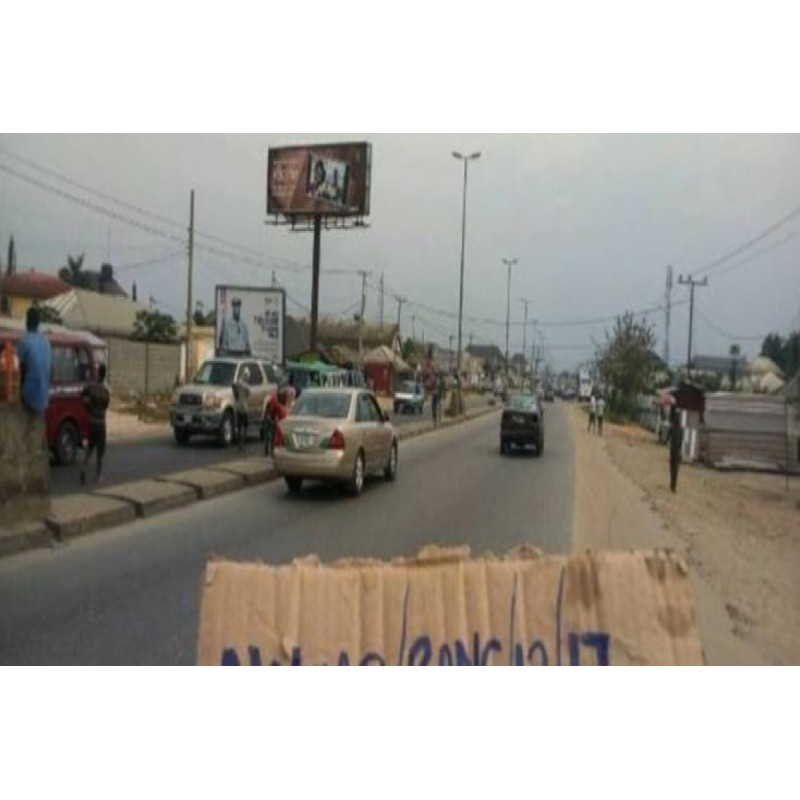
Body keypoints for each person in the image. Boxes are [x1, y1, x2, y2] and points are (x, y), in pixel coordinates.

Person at [16, 306, 52, 417]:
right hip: (44, 398)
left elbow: (17, 367)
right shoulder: (46, 341)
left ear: (27, 321)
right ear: (38, 323)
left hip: (28, 397)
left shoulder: (24, 340)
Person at [80, 362, 110, 485]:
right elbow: (105, 407)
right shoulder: (105, 392)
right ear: (105, 375)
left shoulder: (90, 387)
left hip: (91, 420)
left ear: (97, 373)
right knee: (100, 451)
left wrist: (87, 409)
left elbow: (82, 397)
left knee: (90, 447)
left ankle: (83, 468)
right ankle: (99, 476)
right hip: (100, 422)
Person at [263, 385, 289, 457]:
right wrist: (271, 420)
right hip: (270, 418)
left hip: (276, 419)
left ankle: (271, 451)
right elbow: (270, 412)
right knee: (270, 436)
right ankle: (269, 452)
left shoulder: (281, 401)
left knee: (273, 436)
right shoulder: (273, 400)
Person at [232, 367, 251, 450]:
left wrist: (236, 395)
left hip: (238, 407)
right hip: (244, 408)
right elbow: (248, 395)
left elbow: (233, 385)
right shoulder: (246, 386)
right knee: (245, 425)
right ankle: (242, 441)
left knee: (239, 425)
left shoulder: (238, 383)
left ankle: (240, 442)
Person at [667, 405, 683, 494]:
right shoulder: (681, 430)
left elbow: (667, 439)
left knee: (672, 467)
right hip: (678, 451)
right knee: (676, 468)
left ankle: (671, 483)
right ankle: (673, 485)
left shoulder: (672, 428)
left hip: (673, 450)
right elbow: (681, 442)